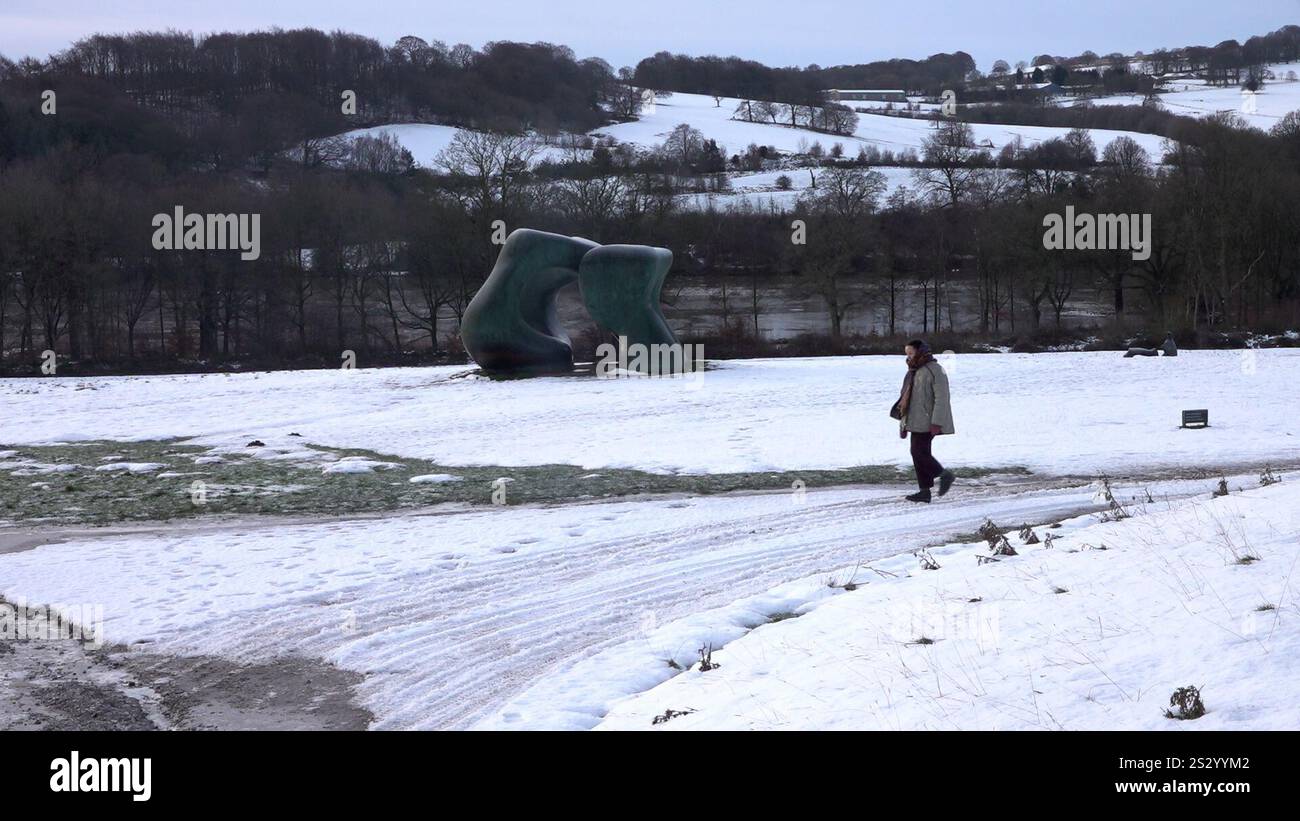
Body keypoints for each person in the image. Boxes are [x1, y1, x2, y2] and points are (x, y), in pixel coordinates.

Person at [891, 340, 955, 503]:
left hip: (929, 420)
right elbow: (906, 398)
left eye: (911, 353)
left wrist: (937, 422)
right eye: (907, 354)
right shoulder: (913, 370)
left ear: (920, 352)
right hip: (915, 420)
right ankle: (924, 491)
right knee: (919, 453)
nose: (908, 357)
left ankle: (944, 475)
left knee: (918, 452)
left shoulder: (936, 370)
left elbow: (942, 398)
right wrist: (903, 423)